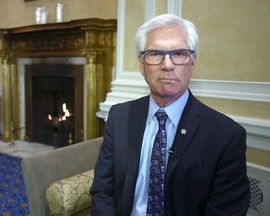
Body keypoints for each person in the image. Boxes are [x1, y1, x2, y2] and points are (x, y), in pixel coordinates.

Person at [90, 14, 250, 216]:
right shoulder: (119, 116)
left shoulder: (226, 136)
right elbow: (103, 190)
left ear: (192, 62)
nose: (167, 65)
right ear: (141, 64)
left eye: (179, 54)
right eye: (155, 54)